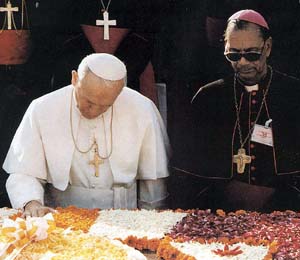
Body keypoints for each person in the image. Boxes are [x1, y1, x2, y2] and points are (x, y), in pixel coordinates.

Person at [3, 53, 170, 217]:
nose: (94, 111)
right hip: (61, 217)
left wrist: (152, 220)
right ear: (74, 79)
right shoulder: (42, 108)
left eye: (105, 106)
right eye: (89, 102)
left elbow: (154, 178)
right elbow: (23, 170)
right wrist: (31, 202)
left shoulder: (142, 109)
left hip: (125, 217)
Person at [183, 9, 300, 212]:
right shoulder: (208, 97)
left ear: (268, 47)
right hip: (221, 213)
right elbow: (189, 175)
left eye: (252, 54)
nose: (243, 63)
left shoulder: (294, 94)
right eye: (234, 55)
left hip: (286, 210)